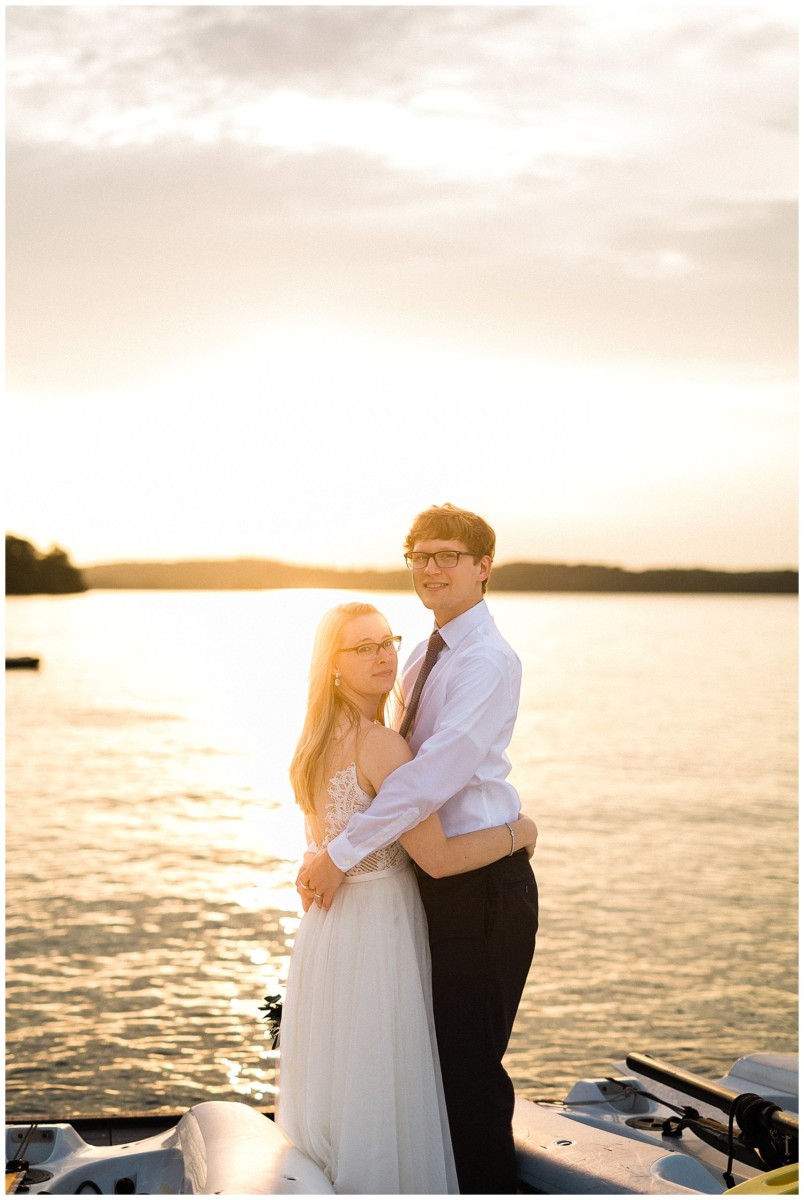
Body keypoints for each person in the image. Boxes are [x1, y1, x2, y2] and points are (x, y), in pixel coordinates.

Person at [301, 503, 539, 1194]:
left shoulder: (486, 662)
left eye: (447, 556)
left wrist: (339, 854)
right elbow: (394, 778)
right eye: (419, 556)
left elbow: (429, 779)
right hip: (425, 882)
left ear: (482, 567)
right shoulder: (415, 653)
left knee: (467, 1071)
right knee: (424, 1066)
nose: (430, 569)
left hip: (482, 883)